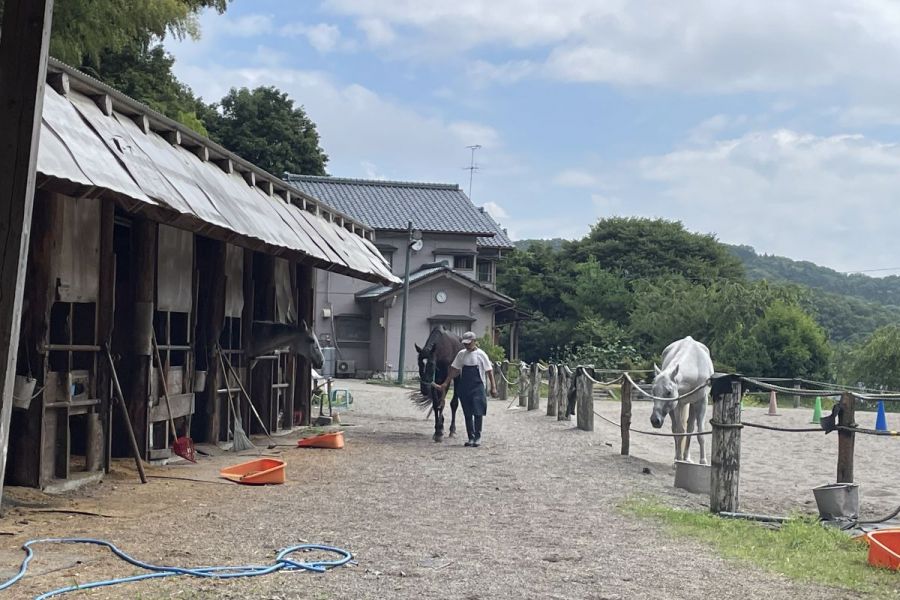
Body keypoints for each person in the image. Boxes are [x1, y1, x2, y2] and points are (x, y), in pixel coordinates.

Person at [436, 331, 497, 447]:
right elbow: (454, 369)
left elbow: (489, 371)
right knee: (467, 413)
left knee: (478, 412)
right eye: (465, 344)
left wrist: (493, 387)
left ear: (474, 342)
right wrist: (446, 383)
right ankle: (471, 437)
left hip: (478, 386)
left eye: (469, 343)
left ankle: (478, 436)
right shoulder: (461, 354)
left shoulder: (481, 354)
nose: (467, 346)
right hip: (464, 387)